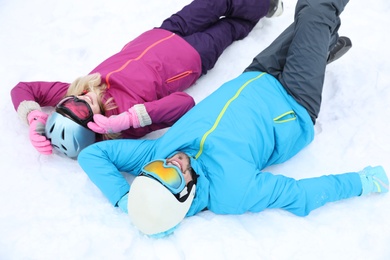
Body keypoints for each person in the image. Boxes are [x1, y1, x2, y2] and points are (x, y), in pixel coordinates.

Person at [78, 0, 389, 238]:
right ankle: (319, 46)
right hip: (294, 102)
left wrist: (125, 199)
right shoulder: (232, 191)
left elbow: (94, 154)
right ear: (185, 196)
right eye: (172, 175)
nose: (171, 161)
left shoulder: (156, 155)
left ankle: (321, 49)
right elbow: (299, 195)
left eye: (156, 170)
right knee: (316, 12)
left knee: (308, 21)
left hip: (256, 75)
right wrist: (362, 183)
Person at [10, 0, 283, 159]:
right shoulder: (127, 125)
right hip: (193, 56)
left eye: (68, 102)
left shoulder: (81, 91)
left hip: (165, 31)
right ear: (92, 126)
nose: (80, 98)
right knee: (232, 26)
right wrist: (132, 118)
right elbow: (184, 103)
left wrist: (33, 117)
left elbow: (24, 89)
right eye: (80, 109)